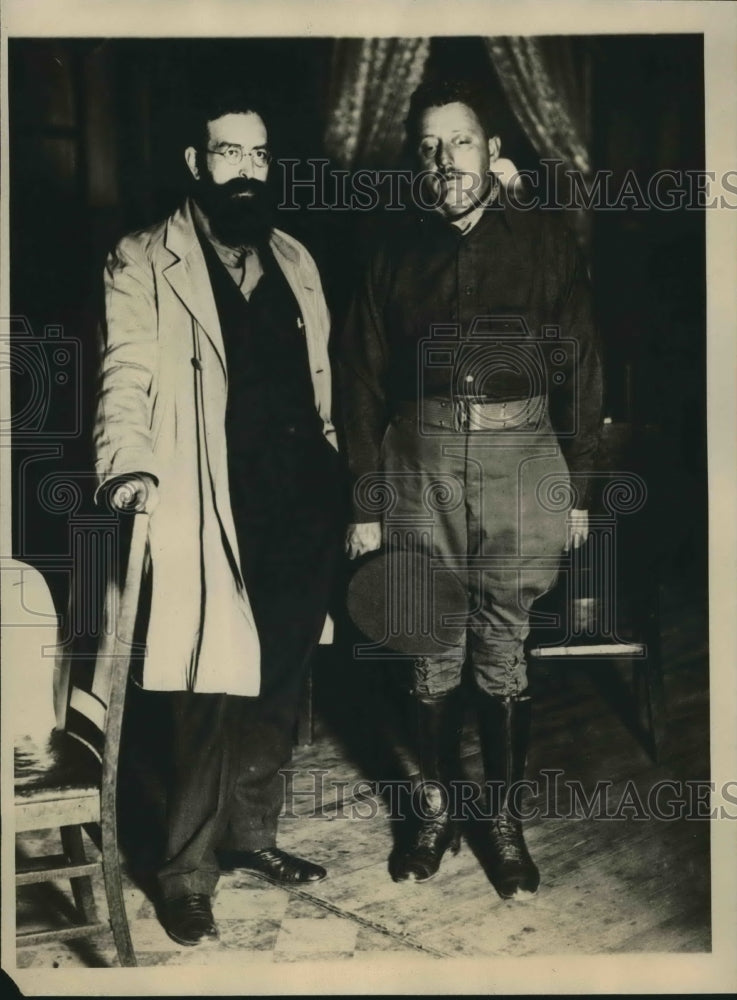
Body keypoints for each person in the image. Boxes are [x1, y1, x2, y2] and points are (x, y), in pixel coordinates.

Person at [340, 79, 603, 899]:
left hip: (521, 461)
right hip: (416, 465)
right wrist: (365, 500)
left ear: (491, 151)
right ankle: (434, 811)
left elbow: (582, 367)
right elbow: (357, 380)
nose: (443, 159)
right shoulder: (389, 249)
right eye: (427, 146)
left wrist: (579, 489)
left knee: (502, 648)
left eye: (458, 142)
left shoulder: (546, 243)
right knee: (429, 645)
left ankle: (503, 821)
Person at [93, 91, 343, 945]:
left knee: (278, 683)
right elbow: (125, 372)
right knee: (204, 690)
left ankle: (250, 837)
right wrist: (127, 465)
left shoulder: (294, 255)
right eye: (229, 153)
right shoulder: (142, 258)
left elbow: (319, 381)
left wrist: (337, 474)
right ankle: (186, 873)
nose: (247, 170)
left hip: (302, 504)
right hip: (208, 502)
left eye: (258, 155)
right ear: (196, 164)